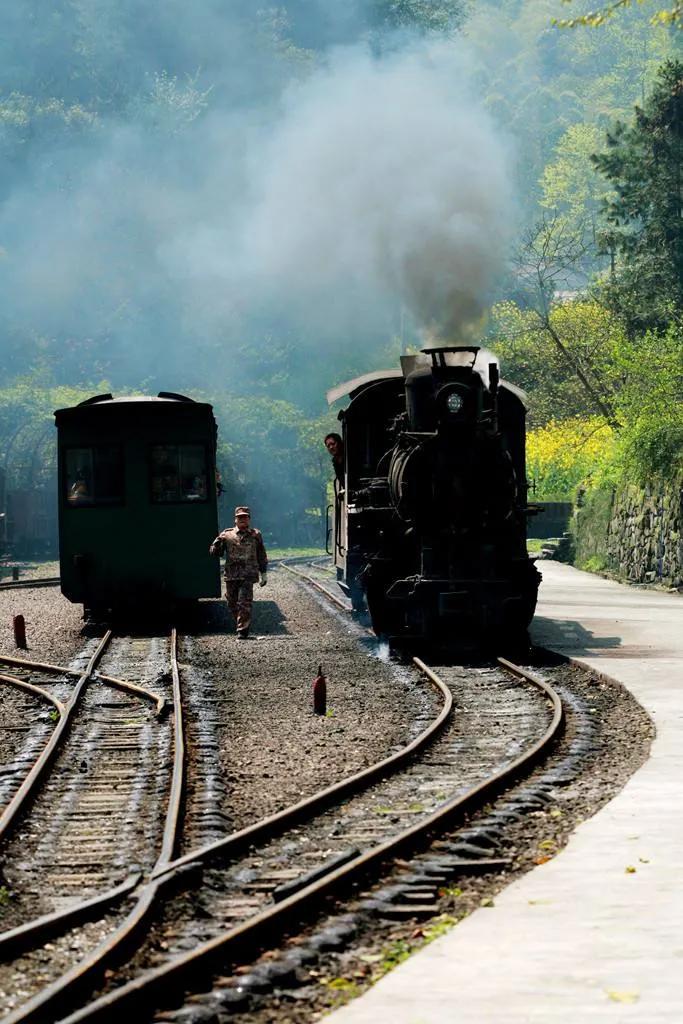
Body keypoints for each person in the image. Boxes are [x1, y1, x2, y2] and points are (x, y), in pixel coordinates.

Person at [209, 505, 268, 639]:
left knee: (244, 602)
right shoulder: (227, 534)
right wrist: (217, 544)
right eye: (240, 517)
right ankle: (240, 623)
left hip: (248, 574)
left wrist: (263, 573)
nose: (242, 520)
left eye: (245, 517)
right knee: (231, 602)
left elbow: (261, 554)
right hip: (231, 574)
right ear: (235, 520)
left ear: (249, 519)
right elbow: (215, 553)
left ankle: (242, 630)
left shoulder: (255, 535)